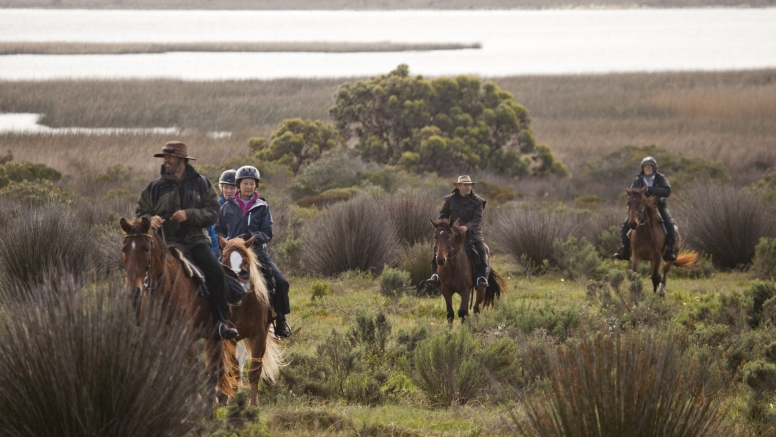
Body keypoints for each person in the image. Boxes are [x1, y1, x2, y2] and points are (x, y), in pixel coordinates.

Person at [136, 141, 238, 341]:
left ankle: (221, 322)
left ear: (181, 159)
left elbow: (213, 212)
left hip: (195, 241)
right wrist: (149, 220)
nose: (166, 161)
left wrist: (189, 215)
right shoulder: (155, 187)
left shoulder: (201, 183)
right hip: (164, 242)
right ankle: (138, 324)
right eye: (164, 157)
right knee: (136, 272)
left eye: (170, 157)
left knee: (216, 272)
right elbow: (140, 212)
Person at [215, 165, 292, 339]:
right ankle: (217, 321)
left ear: (256, 186)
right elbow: (218, 228)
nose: (248, 187)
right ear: (239, 185)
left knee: (280, 282)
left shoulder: (262, 206)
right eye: (245, 183)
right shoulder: (227, 206)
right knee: (214, 280)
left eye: (251, 183)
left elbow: (268, 232)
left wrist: (254, 239)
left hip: (257, 252)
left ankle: (280, 319)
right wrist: (222, 240)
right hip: (232, 253)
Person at [427, 175, 490, 289]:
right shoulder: (450, 199)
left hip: (473, 234)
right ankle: (435, 274)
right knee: (437, 248)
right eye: (465, 185)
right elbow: (443, 214)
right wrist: (449, 225)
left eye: (470, 185)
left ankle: (481, 277)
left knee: (482, 250)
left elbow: (477, 219)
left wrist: (466, 227)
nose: (468, 187)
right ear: (459, 186)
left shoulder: (478, 201)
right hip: (452, 232)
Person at [613, 156, 677, 262]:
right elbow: (632, 194)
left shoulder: (661, 178)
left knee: (669, 223)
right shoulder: (637, 180)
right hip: (640, 208)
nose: (648, 168)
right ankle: (625, 251)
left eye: (650, 166)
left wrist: (649, 189)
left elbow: (667, 191)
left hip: (658, 206)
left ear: (654, 168)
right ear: (642, 168)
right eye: (646, 166)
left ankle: (669, 250)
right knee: (625, 225)